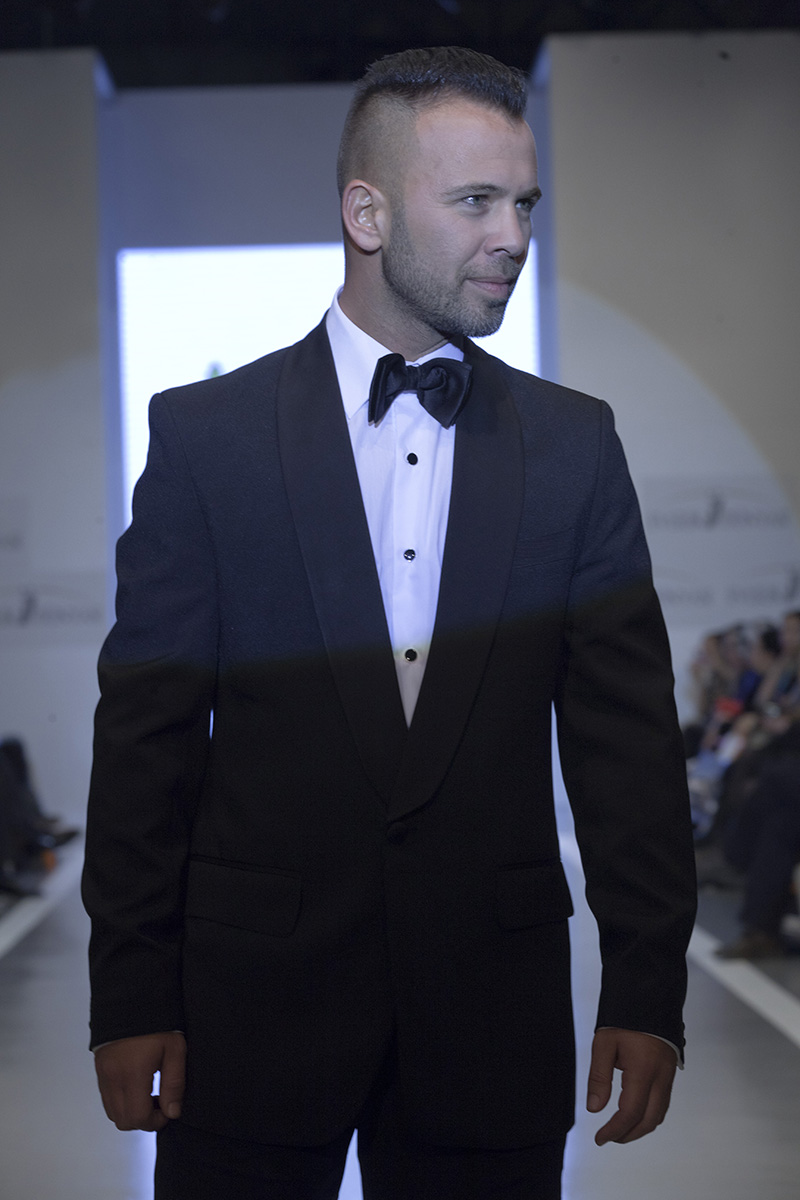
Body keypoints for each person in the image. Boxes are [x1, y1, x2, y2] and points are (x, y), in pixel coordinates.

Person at [82, 46, 697, 1200]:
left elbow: (623, 744)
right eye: (473, 202)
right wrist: (128, 995)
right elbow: (146, 743)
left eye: (523, 204)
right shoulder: (208, 440)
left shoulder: (573, 447)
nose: (510, 236)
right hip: (247, 1018)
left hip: (493, 1016)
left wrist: (645, 987)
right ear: (365, 214)